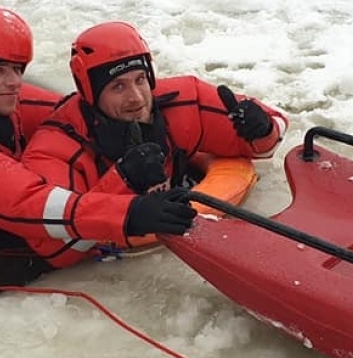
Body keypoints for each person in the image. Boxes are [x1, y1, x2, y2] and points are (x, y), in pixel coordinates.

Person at [0, 3, 196, 319]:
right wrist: (131, 210)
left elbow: (81, 113)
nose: (13, 81)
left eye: (17, 68)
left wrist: (146, 112)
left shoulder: (0, 101)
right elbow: (31, 204)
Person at [21, 20, 288, 267]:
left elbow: (274, 131)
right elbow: (55, 245)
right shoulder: (55, 147)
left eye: (140, 80)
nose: (136, 97)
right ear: (90, 93)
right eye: (118, 87)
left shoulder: (182, 101)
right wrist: (124, 182)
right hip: (119, 268)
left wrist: (261, 129)